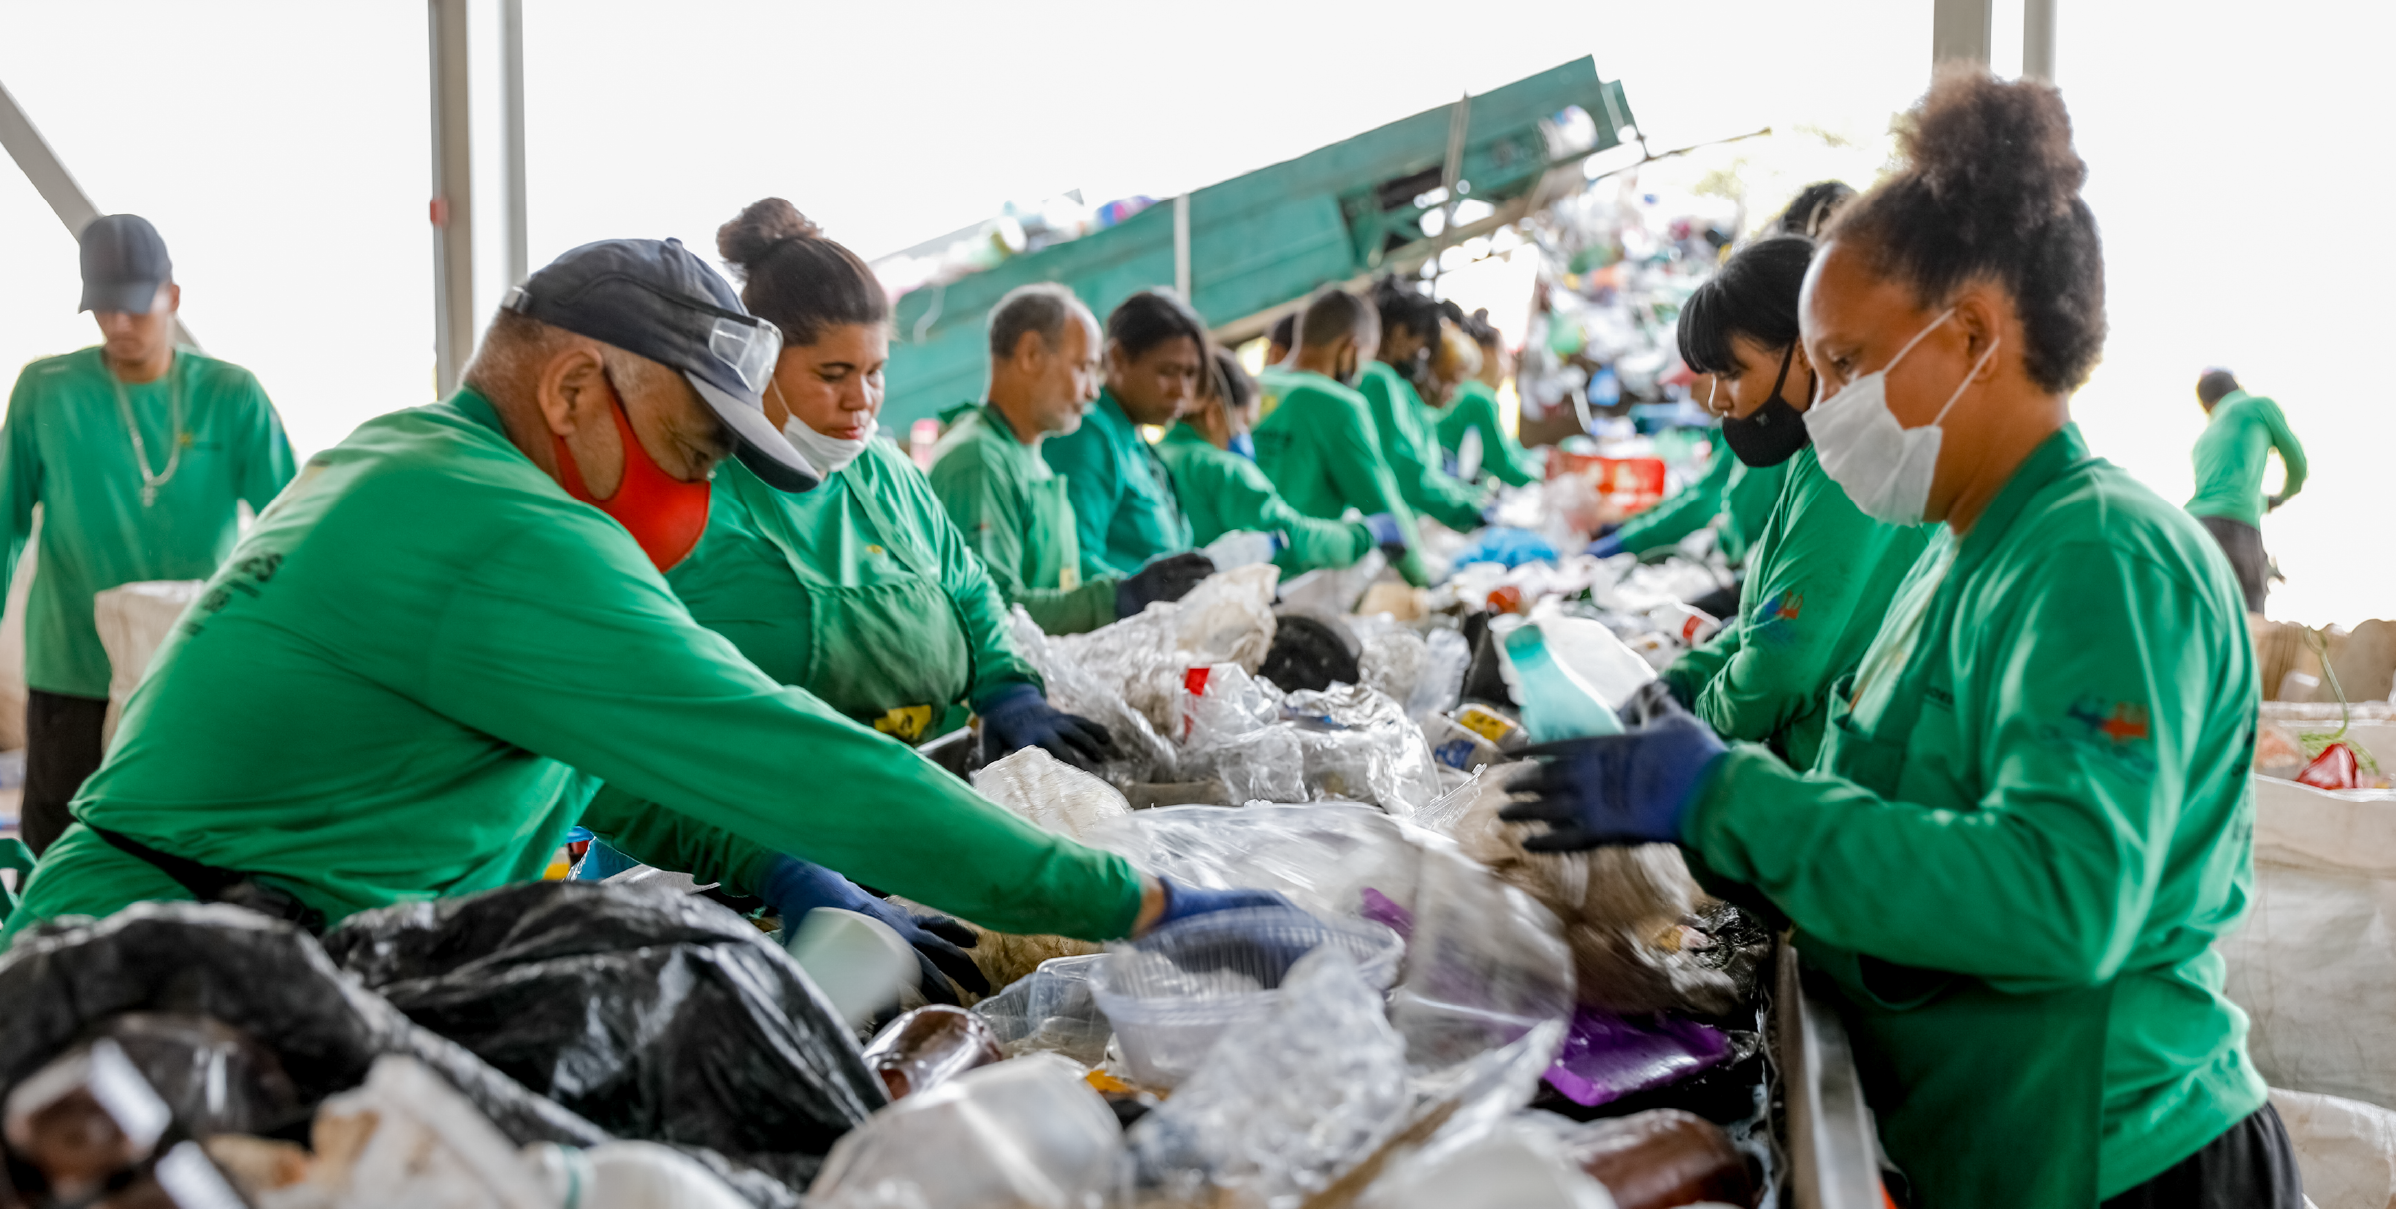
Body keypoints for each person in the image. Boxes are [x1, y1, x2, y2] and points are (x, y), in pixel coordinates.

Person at [5, 238, 1283, 966]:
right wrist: (1136, 903)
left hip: (220, 942)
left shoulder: (407, 454)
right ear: (573, 392)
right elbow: (774, 746)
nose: (703, 489)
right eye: (690, 448)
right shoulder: (504, 529)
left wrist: (774, 867)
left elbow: (602, 764)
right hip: (144, 981)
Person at [1506, 71, 2299, 1209]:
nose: (1820, 402)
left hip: (2110, 1159)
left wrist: (1728, 796)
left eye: (1839, 363)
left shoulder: (2100, 561)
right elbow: (1887, 824)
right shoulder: (1948, 549)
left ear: (1970, 333)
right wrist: (1701, 830)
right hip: (1981, 1148)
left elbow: (2057, 898)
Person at [658, 198, 1112, 771]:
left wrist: (1008, 690)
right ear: (759, 363)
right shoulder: (705, 494)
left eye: (874, 372)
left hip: (922, 778)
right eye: (833, 375)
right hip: (775, 809)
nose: (862, 400)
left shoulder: (886, 472)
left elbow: (968, 586)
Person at [0, 214, 294, 857]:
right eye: (105, 309)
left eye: (135, 307)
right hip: (72, 665)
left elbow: (292, 524)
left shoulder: (231, 394)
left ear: (173, 297)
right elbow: (3, 524)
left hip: (188, 665)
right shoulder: (46, 391)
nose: (120, 326)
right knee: (59, 849)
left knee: (185, 848)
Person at [1653, 234, 1932, 771]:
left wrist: (1682, 727)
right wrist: (1679, 683)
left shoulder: (1853, 463)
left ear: (1806, 349)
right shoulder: (1819, 451)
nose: (1716, 398)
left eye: (1731, 373)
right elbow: (1769, 618)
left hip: (1832, 780)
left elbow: (1783, 666)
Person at [928, 285, 1214, 635]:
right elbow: (992, 611)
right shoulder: (977, 461)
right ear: (1031, 354)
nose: (1093, 391)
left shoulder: (1029, 457)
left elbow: (1062, 582)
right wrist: (1118, 599)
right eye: (1084, 368)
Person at [1155, 348, 1401, 575]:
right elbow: (1293, 537)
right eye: (1245, 422)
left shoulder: (1157, 455)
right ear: (1214, 413)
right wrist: (1366, 533)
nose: (1245, 434)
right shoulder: (1222, 469)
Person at [1250, 289, 1429, 586]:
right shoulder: (1340, 405)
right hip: (1290, 576)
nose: (1358, 378)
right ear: (1350, 349)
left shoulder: (1253, 386)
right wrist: (1425, 580)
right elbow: (1383, 507)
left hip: (1233, 573)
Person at [1041, 290, 1203, 579]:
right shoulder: (1088, 436)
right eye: (1167, 371)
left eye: (1190, 374)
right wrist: (1132, 593)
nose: (1182, 390)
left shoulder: (1137, 443)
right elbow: (1072, 563)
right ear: (1117, 358)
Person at [1354, 278, 1489, 532]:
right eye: (1423, 346)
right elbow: (1407, 473)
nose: (1423, 356)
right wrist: (1470, 509)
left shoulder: (1397, 386)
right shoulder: (1377, 381)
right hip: (1384, 529)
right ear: (1399, 335)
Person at [2185, 368, 2305, 614]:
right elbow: (2298, 465)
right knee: (2252, 621)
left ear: (2207, 405)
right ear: (2237, 387)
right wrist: (2280, 497)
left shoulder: (2203, 438)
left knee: (2198, 614)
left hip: (2193, 526)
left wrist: (2261, 502)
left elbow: (2222, 486)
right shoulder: (2259, 407)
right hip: (2237, 527)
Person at [1433, 307, 1541, 488]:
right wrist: (1544, 478)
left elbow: (1509, 450)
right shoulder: (1478, 398)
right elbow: (1504, 466)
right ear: (1488, 355)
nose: (1509, 367)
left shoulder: (1471, 393)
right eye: (1504, 356)